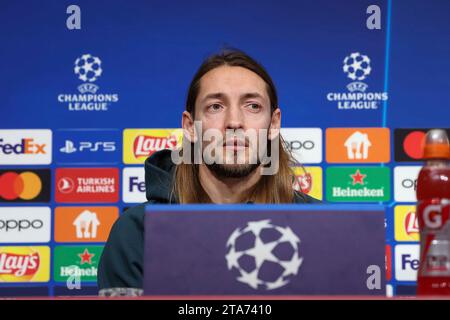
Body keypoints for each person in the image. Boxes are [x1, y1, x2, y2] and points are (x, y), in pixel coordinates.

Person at [97, 48, 320, 296]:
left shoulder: (323, 227)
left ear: (274, 124)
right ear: (190, 126)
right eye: (215, 106)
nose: (234, 121)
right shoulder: (138, 233)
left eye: (253, 106)